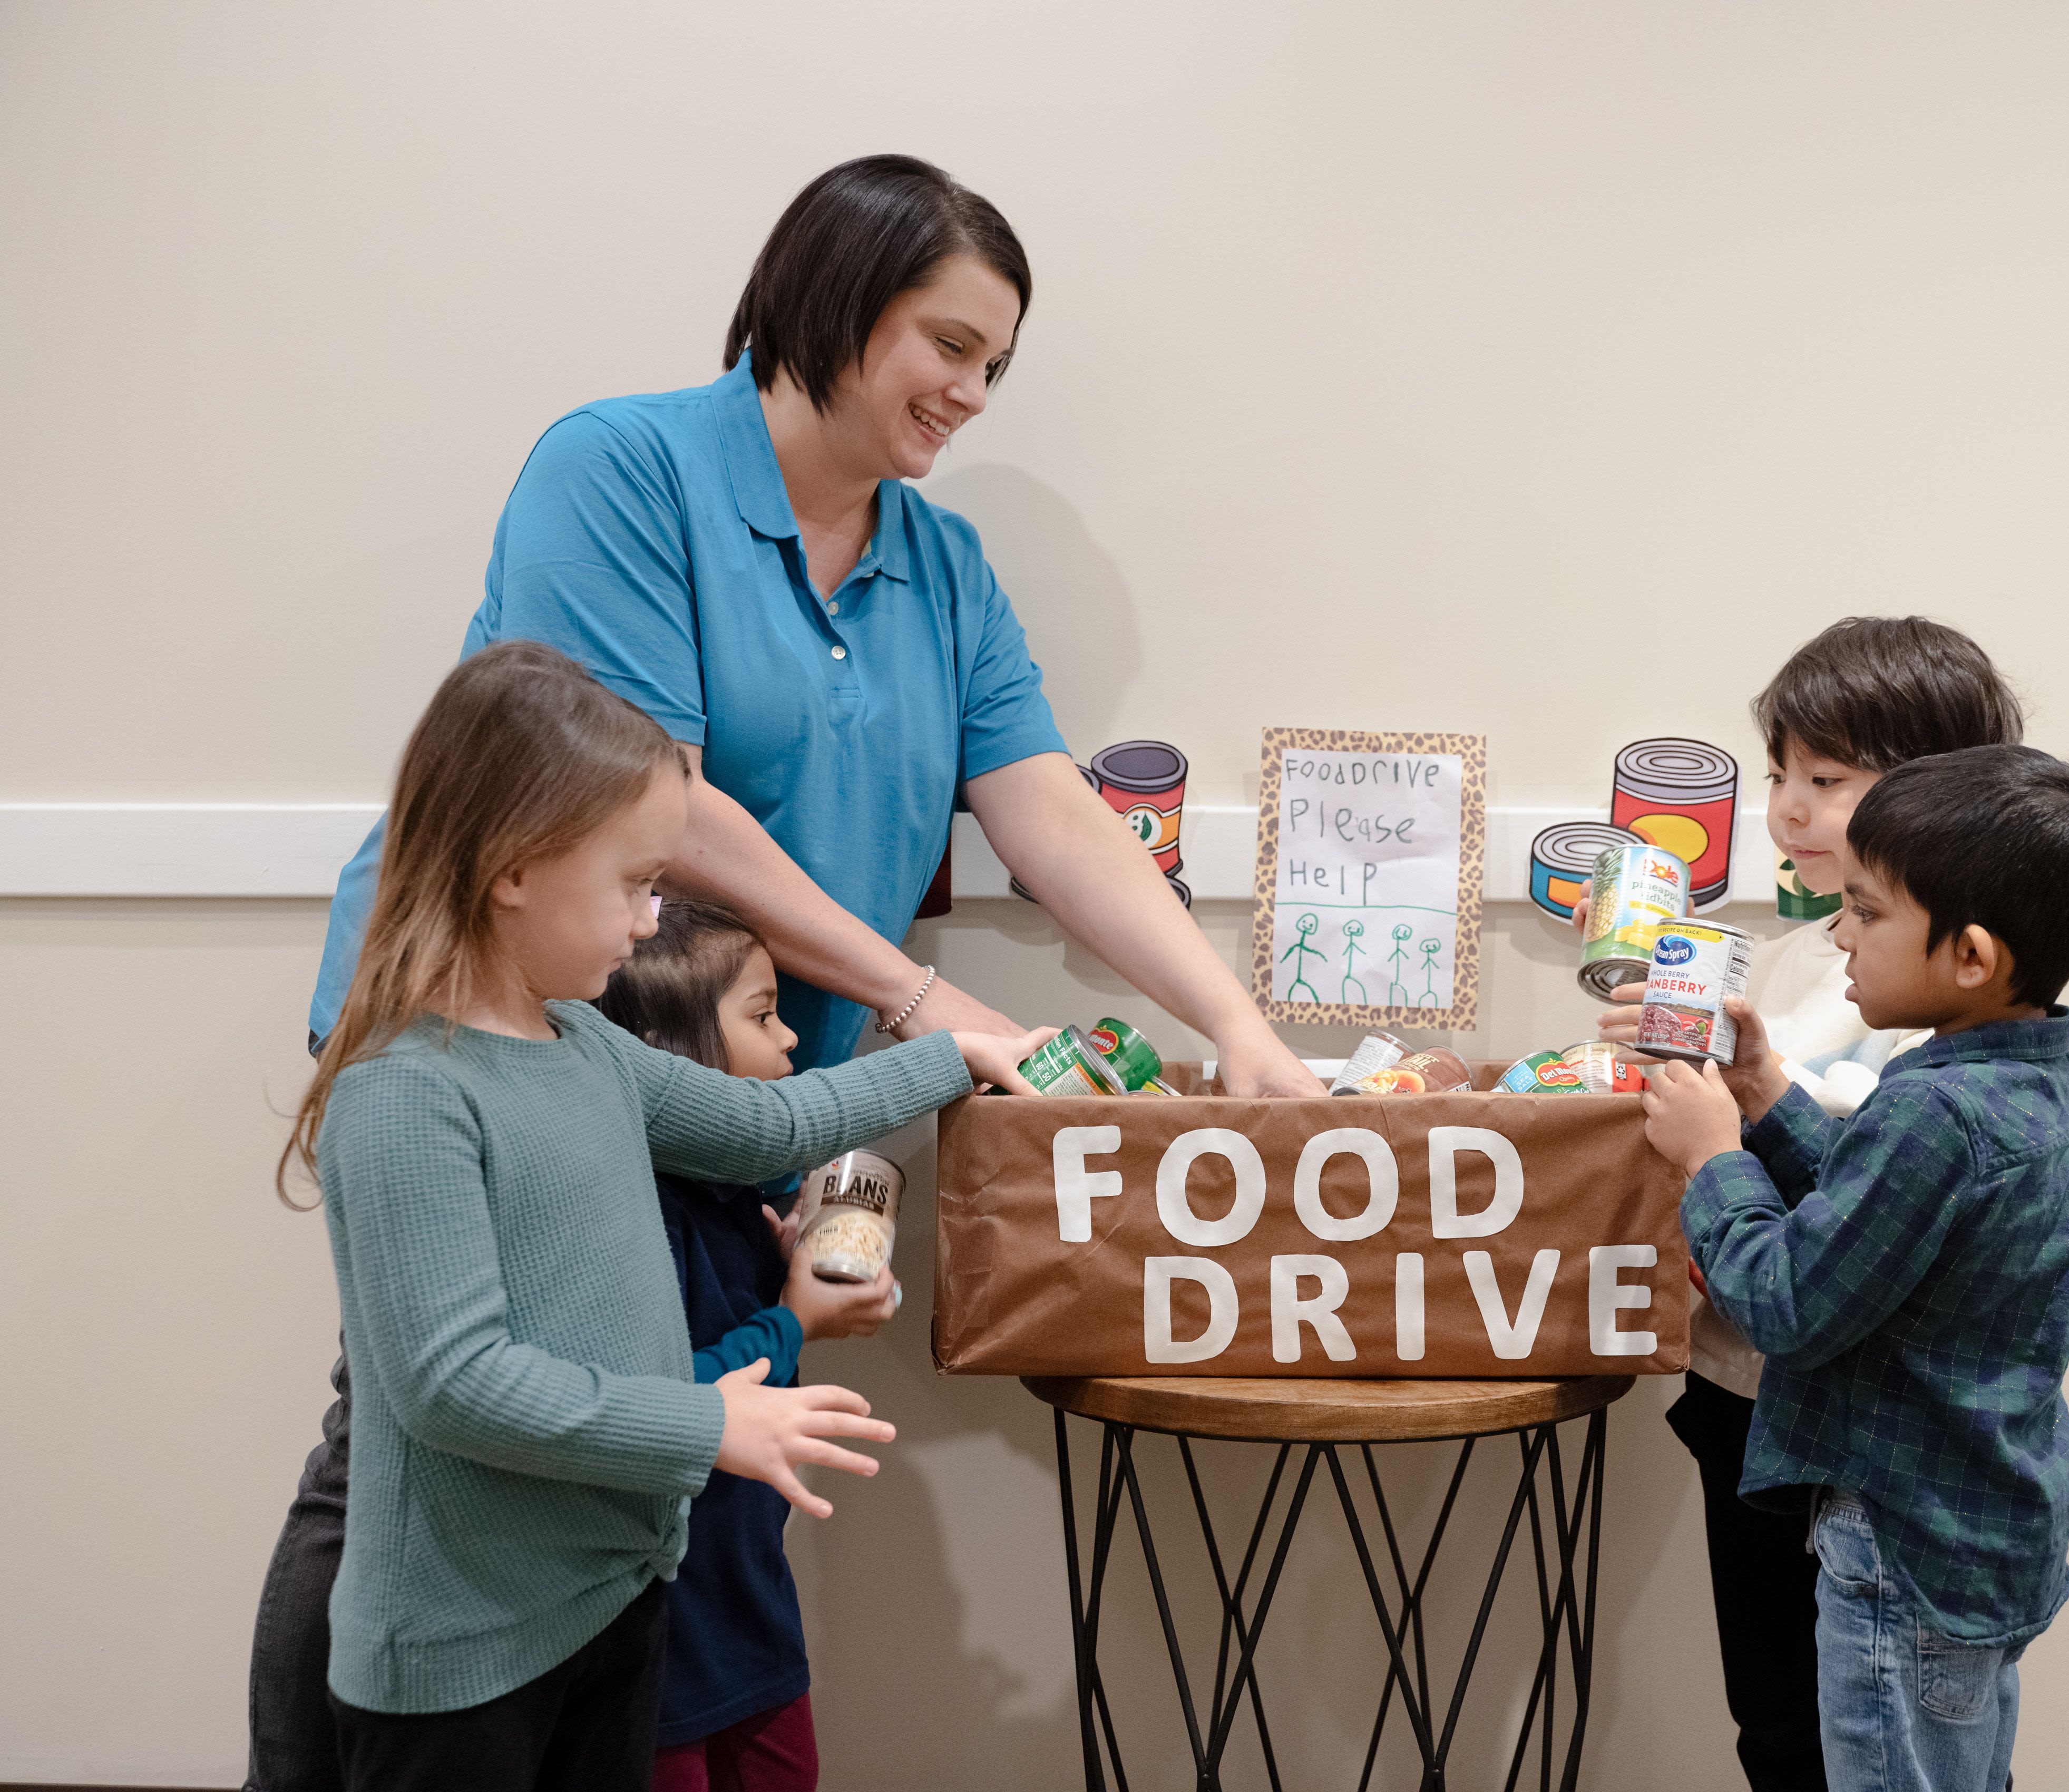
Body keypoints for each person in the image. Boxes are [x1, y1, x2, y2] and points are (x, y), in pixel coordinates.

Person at [250, 153, 1316, 1791]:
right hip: (529, 1049)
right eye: (945, 344)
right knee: (425, 1456)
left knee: (662, 1464)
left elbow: (1048, 815)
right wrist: (911, 998)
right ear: (830, 302)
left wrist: (1233, 1023)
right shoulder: (622, 469)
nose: (970, 391)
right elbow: (650, 801)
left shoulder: (939, 565)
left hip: (734, 1080)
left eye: (993, 365)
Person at [287, 640, 1059, 1791]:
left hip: (607, 1600)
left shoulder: (585, 1041)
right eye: (633, 883)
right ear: (513, 869)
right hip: (463, 1665)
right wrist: (706, 1426)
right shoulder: (406, 1092)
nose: (651, 921)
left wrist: (952, 1053)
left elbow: (767, 1129)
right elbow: (455, 1381)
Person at [1638, 745, 2069, 1792]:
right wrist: (1763, 1089)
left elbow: (1791, 1302)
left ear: (1972, 956)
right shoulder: (2032, 1088)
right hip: (1983, 1533)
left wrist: (1714, 1156)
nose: (1842, 933)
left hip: (1901, 1549)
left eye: (1866, 911)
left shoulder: (1929, 1111)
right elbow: (1880, 1228)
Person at [1597, 616, 2025, 1792]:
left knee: (1878, 1740)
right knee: (1780, 1728)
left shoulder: (1963, 991)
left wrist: (1727, 1134)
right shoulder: (1789, 958)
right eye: (1782, 772)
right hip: (1739, 1395)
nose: (1788, 807)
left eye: (1826, 778)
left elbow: (1866, 1212)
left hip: (1870, 1434)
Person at [594, 899, 890, 1792]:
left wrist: (800, 1292)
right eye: (762, 1016)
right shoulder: (637, 1216)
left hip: (750, 1606)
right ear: (666, 1058)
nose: (791, 1040)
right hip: (664, 1633)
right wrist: (793, 1322)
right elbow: (662, 1404)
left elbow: (753, 1380)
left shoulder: (730, 1202)